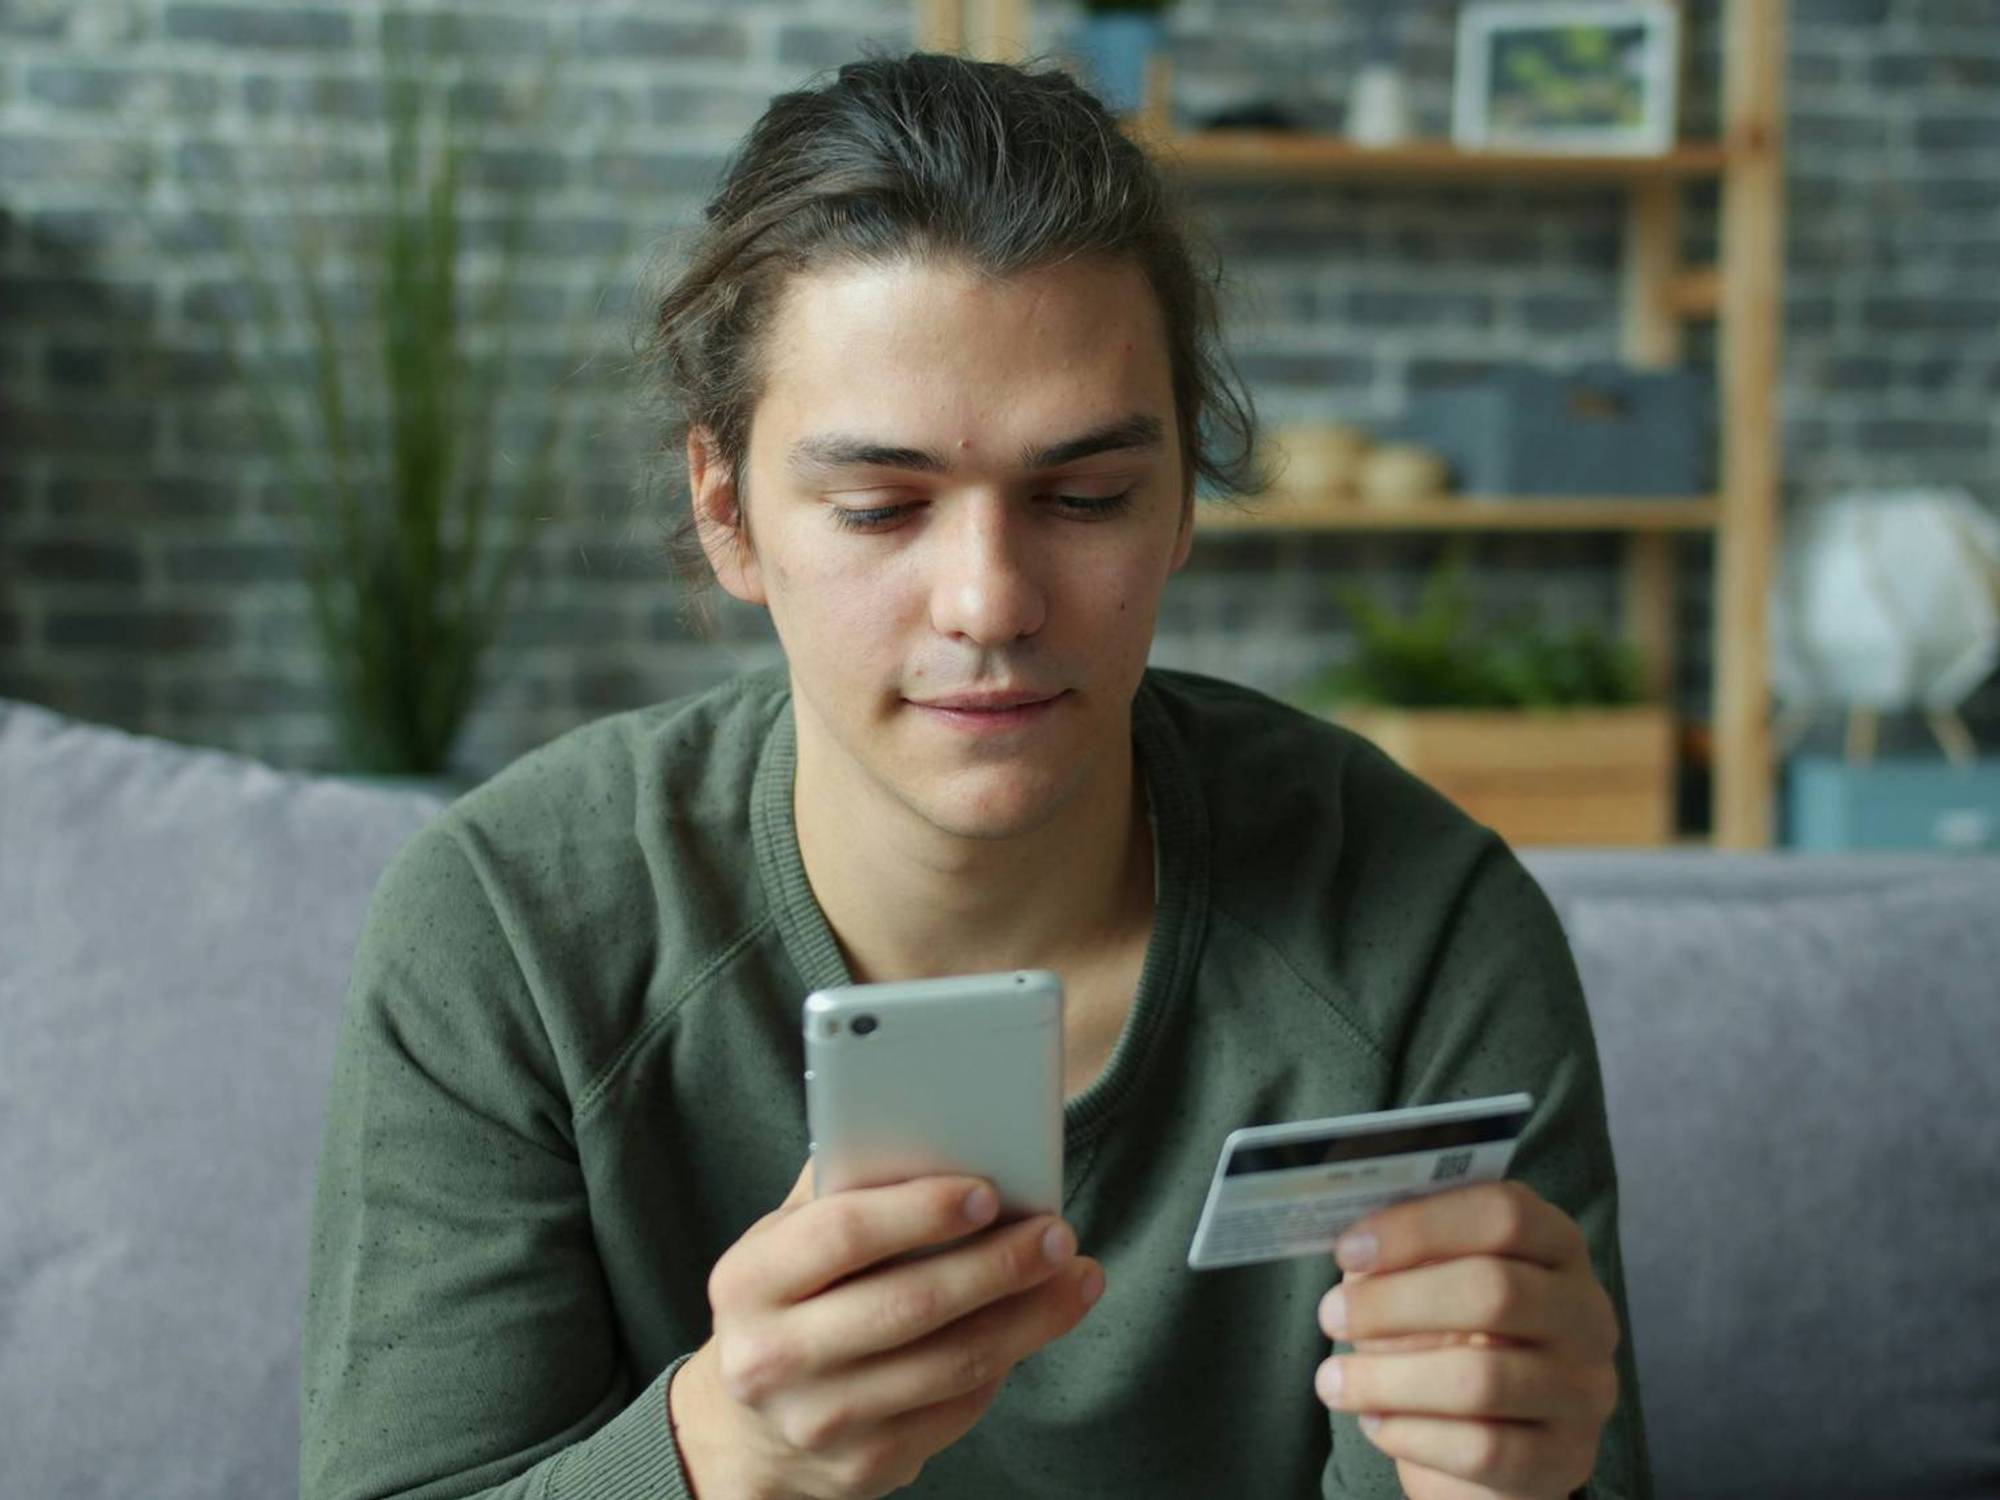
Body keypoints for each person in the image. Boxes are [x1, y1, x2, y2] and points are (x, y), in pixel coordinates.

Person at [300, 48, 1654, 1500]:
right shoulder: (508, 927)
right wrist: (722, 1455)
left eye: (1084, 498)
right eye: (882, 508)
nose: (990, 601)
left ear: (1185, 500)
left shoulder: (1423, 929)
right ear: (727, 514)